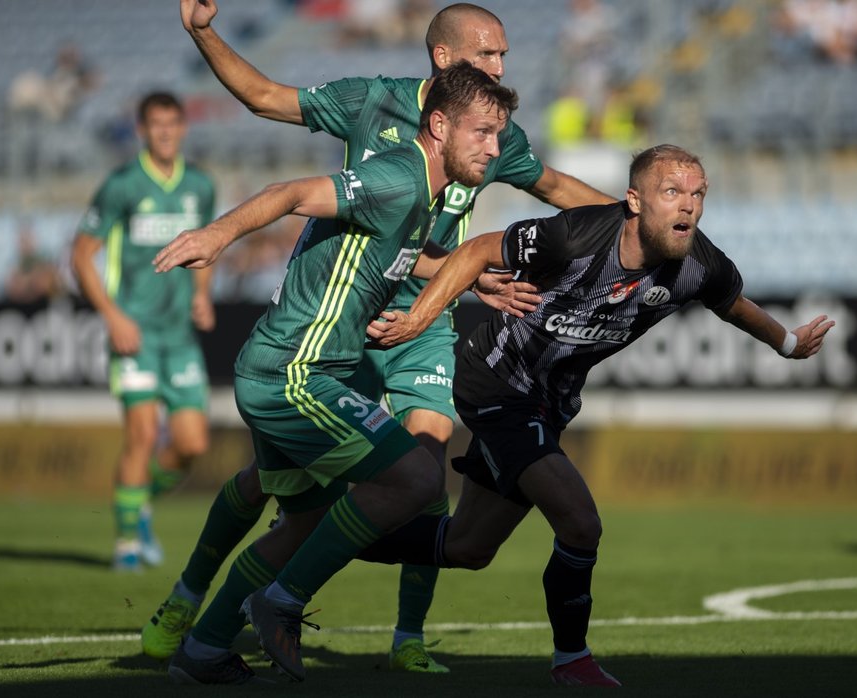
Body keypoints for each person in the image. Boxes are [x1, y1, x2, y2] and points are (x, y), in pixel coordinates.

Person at [140, 0, 615, 672]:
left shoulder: (486, 135)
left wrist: (630, 224)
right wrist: (203, 32)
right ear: (444, 66)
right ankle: (200, 598)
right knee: (280, 489)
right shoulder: (379, 116)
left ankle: (397, 636)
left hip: (418, 315)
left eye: (505, 56)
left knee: (418, 467)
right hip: (325, 333)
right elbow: (266, 105)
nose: (502, 69)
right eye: (488, 55)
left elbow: (551, 186)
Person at [362, 144, 837, 687]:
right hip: (497, 378)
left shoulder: (699, 265)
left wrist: (787, 341)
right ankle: (572, 662)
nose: (688, 207)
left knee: (469, 548)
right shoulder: (576, 235)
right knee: (581, 522)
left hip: (550, 402)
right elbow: (474, 251)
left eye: (698, 194)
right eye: (672, 192)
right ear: (635, 201)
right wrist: (417, 321)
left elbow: (733, 304)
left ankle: (326, 537)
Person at [70, 92, 216, 572]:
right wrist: (112, 316)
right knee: (142, 433)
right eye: (156, 124)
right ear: (142, 130)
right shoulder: (122, 185)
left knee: (193, 443)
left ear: (184, 127)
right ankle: (127, 542)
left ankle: (141, 500)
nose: (166, 132)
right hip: (135, 331)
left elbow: (204, 248)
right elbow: (80, 255)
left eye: (173, 123)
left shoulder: (200, 186)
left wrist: (201, 292)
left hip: (178, 336)